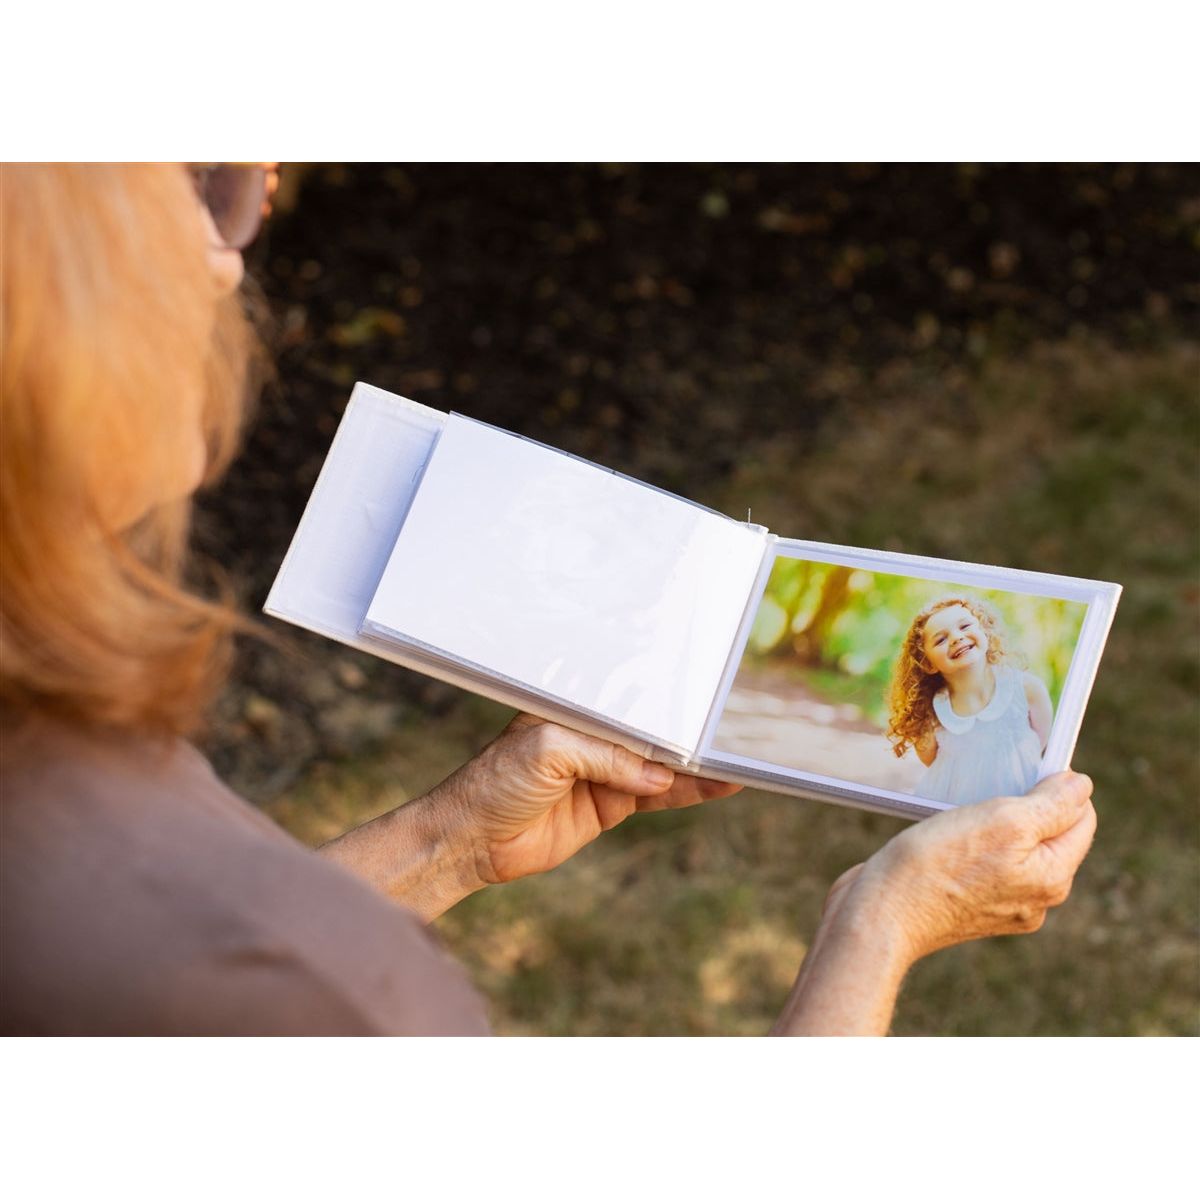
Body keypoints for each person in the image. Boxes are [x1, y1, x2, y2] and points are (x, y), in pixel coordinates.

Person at [0, 164, 1097, 1036]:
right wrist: (881, 923)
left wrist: (449, 842)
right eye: (193, 189)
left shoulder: (55, 762)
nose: (224, 264)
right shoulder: (312, 1000)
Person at [887, 596, 1054, 806]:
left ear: (985, 631)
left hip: (1017, 801)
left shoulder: (1027, 689)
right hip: (955, 808)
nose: (957, 638)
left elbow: (1039, 742)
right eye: (940, 640)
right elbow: (932, 761)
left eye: (965, 626)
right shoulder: (932, 712)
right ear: (927, 664)